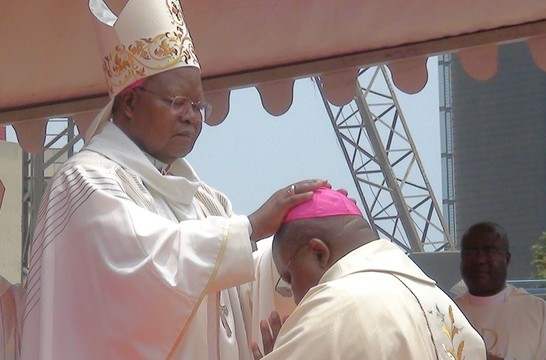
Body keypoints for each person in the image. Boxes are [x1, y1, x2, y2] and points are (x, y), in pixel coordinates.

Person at [19, 0, 320, 358]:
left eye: (199, 107)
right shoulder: (85, 181)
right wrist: (252, 227)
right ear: (129, 103)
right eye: (178, 102)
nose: (193, 118)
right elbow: (145, 263)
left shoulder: (206, 201)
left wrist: (293, 249)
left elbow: (232, 294)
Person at [251, 187, 488, 359]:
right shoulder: (446, 308)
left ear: (318, 253)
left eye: (290, 278)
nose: (294, 296)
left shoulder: (332, 312)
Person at [454, 221, 546, 360]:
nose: (480, 259)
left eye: (490, 251)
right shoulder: (447, 312)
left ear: (507, 259)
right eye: (471, 251)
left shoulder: (539, 313)